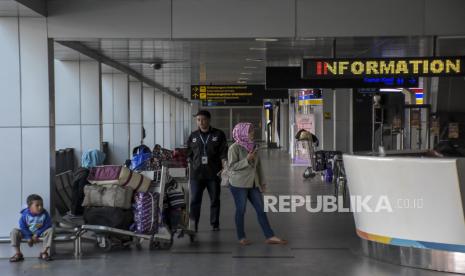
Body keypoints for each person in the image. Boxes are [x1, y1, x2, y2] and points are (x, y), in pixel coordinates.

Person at [228, 122, 287, 246]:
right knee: (241, 210)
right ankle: (241, 237)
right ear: (242, 133)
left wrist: (262, 182)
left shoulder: (253, 146)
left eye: (252, 131)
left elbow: (258, 166)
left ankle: (270, 236)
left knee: (261, 209)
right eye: (250, 131)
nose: (252, 134)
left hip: (253, 183)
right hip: (239, 185)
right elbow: (231, 167)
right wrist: (247, 160)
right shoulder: (234, 148)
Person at [186, 110, 228, 232]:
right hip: (196, 174)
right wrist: (189, 162)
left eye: (203, 119)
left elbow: (223, 153)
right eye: (198, 120)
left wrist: (225, 167)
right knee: (195, 201)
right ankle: (194, 225)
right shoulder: (193, 136)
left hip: (213, 174)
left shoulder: (218, 134)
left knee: (215, 199)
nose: (201, 122)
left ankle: (215, 223)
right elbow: (188, 152)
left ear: (209, 120)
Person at [10, 194, 54, 262]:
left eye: (41, 205)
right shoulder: (25, 214)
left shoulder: (44, 213)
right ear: (29, 207)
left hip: (40, 232)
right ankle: (18, 253)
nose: (40, 207)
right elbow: (22, 226)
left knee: (50, 230)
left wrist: (37, 234)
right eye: (37, 205)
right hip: (26, 233)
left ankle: (44, 252)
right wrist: (28, 237)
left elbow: (48, 225)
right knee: (14, 231)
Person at [69, 149, 106, 217]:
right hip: (80, 210)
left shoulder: (82, 170)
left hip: (77, 207)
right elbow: (83, 194)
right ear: (95, 160)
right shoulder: (85, 175)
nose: (101, 164)